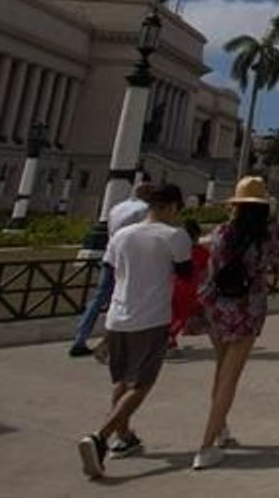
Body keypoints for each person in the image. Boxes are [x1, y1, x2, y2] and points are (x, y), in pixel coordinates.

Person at [77, 184, 192, 480]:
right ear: (170, 207)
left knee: (122, 379)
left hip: (117, 317)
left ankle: (124, 436)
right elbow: (185, 275)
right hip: (151, 318)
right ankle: (100, 437)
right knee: (141, 384)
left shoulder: (121, 235)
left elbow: (113, 273)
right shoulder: (174, 236)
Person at [192, 176, 279, 470]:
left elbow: (209, 267)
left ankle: (221, 429)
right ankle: (205, 445)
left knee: (221, 369)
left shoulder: (222, 232)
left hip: (215, 306)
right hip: (247, 307)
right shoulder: (270, 235)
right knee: (230, 377)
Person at [71, 182, 153, 358]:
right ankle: (115, 342)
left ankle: (80, 337)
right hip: (131, 261)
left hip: (110, 256)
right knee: (128, 300)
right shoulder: (144, 209)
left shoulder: (117, 207)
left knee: (99, 298)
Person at [169, 219, 211, 350]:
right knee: (183, 315)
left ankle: (170, 339)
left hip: (172, 283)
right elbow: (205, 272)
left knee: (172, 313)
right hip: (189, 286)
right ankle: (169, 337)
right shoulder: (202, 252)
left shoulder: (177, 249)